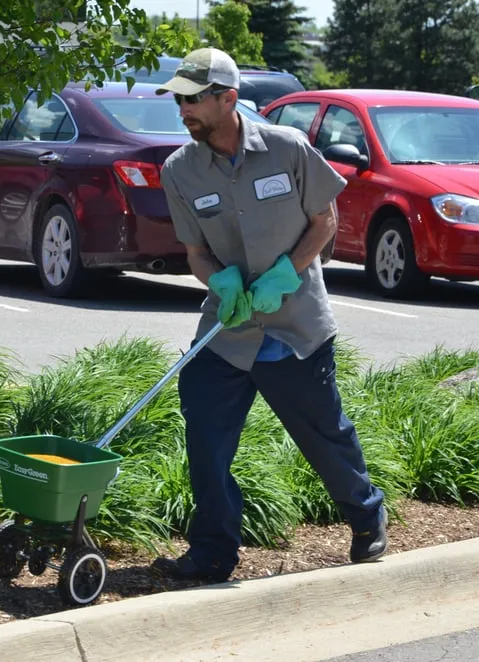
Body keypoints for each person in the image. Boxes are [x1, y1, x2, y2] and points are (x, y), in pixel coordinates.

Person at [150, 47, 387, 584]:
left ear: (228, 99)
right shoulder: (180, 170)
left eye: (192, 99)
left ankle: (366, 514)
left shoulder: (288, 148)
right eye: (178, 100)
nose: (182, 109)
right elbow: (195, 251)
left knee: (324, 435)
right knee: (206, 444)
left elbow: (324, 220)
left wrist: (287, 273)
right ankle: (213, 553)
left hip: (293, 327)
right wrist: (221, 280)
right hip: (227, 330)